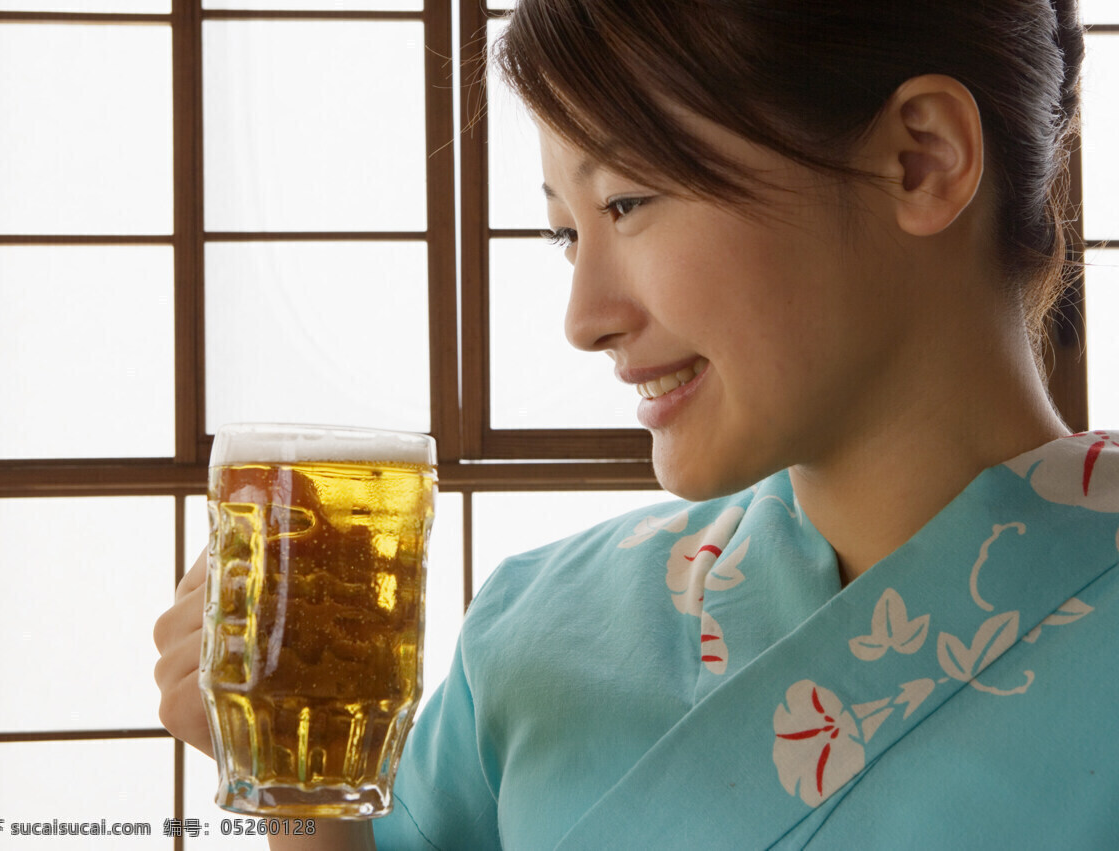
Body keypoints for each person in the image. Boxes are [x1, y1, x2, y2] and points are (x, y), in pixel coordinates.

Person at [155, 0, 1119, 846]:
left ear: (920, 161)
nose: (585, 318)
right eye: (567, 233)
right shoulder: (535, 629)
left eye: (628, 200)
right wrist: (305, 799)